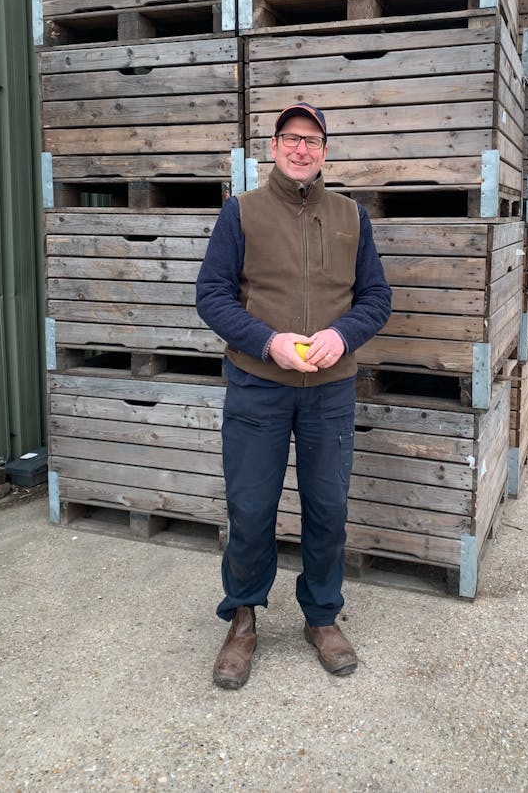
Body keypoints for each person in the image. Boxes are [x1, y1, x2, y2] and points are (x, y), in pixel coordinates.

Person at [196, 102, 392, 689]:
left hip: (329, 393)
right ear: (274, 146)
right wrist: (268, 342)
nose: (301, 149)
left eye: (312, 140)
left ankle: (322, 616)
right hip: (258, 387)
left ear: (325, 151)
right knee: (250, 508)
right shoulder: (241, 212)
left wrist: (342, 335)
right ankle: (242, 618)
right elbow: (212, 295)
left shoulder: (351, 217)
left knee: (327, 509)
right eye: (290, 138)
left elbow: (376, 298)